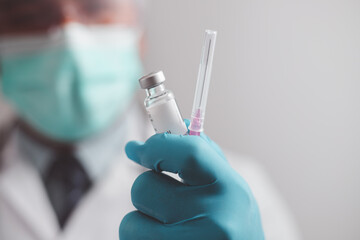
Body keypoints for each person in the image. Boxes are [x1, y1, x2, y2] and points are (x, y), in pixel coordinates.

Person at [0, 0, 301, 239]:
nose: (69, 38)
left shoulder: (236, 199)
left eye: (96, 8)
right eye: (28, 16)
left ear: (140, 36)